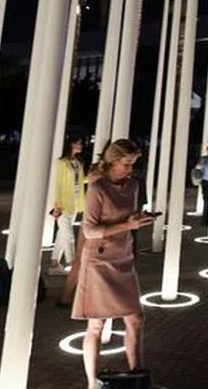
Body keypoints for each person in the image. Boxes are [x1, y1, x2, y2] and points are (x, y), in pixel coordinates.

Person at [72, 139, 154, 389]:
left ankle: (136, 373)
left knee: (136, 318)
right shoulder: (97, 189)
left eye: (133, 164)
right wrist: (126, 225)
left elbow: (127, 217)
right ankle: (92, 382)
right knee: (97, 323)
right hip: (100, 261)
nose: (130, 169)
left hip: (124, 257)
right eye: (126, 164)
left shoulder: (133, 186)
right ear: (112, 161)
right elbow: (90, 229)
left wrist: (137, 220)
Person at [49, 135, 86, 276]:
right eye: (78, 142)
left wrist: (92, 178)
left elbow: (80, 181)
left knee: (63, 233)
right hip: (64, 203)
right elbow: (58, 184)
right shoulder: (62, 163)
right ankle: (72, 263)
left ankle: (54, 263)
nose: (81, 145)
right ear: (71, 145)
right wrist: (57, 205)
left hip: (75, 201)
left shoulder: (77, 162)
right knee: (68, 235)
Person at [196, 145, 208, 222]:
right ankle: (205, 219)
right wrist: (200, 166)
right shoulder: (204, 159)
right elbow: (198, 168)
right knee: (207, 200)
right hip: (206, 181)